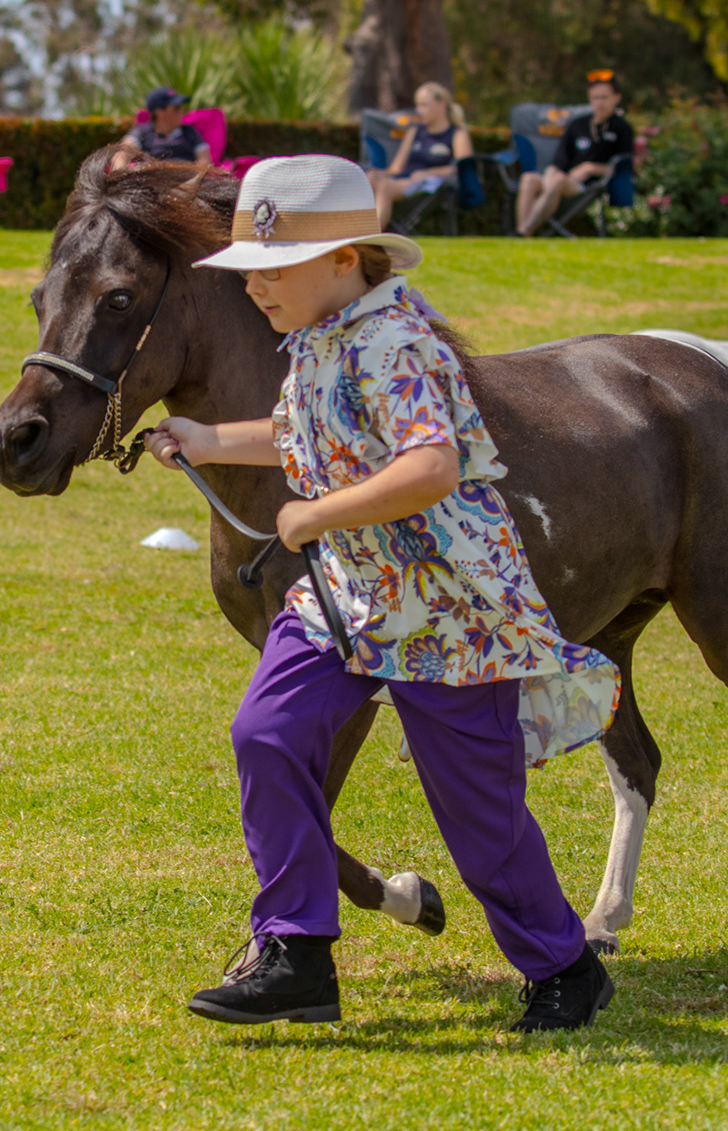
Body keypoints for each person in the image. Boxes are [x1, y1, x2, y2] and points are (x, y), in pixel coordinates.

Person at [145, 154, 619, 1033]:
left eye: (272, 270)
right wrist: (209, 439)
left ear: (343, 260)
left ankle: (564, 967)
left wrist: (314, 514)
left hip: (445, 606)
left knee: (478, 816)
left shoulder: (397, 343)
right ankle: (295, 952)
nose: (254, 288)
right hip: (351, 595)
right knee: (268, 732)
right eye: (249, 271)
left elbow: (430, 465)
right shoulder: (321, 336)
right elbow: (305, 431)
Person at [515, 70, 633, 237]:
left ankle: (523, 232)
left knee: (558, 181)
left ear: (616, 98)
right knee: (529, 179)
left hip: (586, 187)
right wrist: (550, 175)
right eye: (595, 98)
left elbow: (624, 167)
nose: (599, 103)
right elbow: (559, 160)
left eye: (604, 97)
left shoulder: (622, 128)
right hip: (560, 180)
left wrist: (590, 168)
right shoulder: (577, 125)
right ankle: (523, 234)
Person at [368, 82, 473, 228]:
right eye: (417, 105)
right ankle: (348, 233)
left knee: (385, 187)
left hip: (428, 188)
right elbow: (396, 168)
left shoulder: (457, 134)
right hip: (402, 181)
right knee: (367, 181)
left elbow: (461, 168)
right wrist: (378, 174)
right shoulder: (414, 131)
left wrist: (427, 173)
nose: (418, 110)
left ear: (441, 105)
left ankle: (371, 236)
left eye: (424, 105)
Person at [119, 86, 211, 167]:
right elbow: (124, 151)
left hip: (189, 176)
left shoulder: (189, 131)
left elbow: (204, 159)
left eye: (182, 107)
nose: (182, 111)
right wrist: (118, 169)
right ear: (159, 112)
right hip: (155, 177)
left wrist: (194, 176)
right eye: (177, 108)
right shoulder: (142, 132)